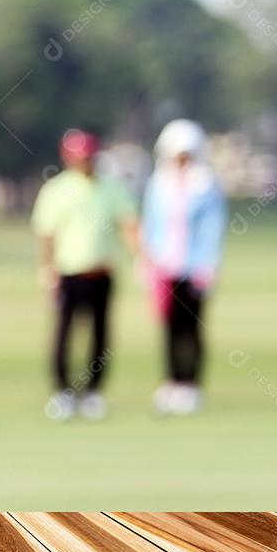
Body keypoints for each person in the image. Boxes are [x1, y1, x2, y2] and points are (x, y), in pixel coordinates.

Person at [32, 129, 143, 421]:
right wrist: (47, 269)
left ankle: (93, 393)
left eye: (88, 156)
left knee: (100, 334)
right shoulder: (57, 189)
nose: (84, 162)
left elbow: (128, 225)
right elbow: (47, 234)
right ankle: (63, 392)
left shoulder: (112, 187)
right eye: (79, 157)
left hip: (102, 271)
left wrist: (140, 259)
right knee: (65, 333)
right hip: (69, 273)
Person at [143, 119, 227, 415]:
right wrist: (147, 262)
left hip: (194, 268)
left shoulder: (204, 184)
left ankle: (191, 384)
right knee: (169, 327)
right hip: (165, 267)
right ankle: (172, 382)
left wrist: (207, 265)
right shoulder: (159, 183)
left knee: (192, 328)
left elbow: (212, 229)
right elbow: (150, 225)